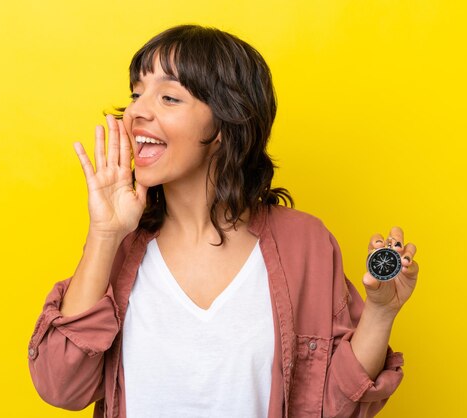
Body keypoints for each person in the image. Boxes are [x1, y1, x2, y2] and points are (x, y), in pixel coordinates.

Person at [27, 25, 419, 418]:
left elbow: (334, 407)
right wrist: (104, 234)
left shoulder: (305, 244)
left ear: (224, 124)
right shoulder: (120, 247)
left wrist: (381, 312)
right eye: (136, 93)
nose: (136, 112)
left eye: (168, 97)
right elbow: (61, 386)